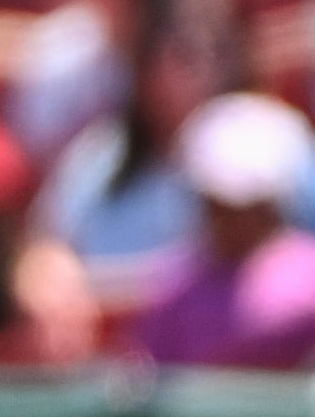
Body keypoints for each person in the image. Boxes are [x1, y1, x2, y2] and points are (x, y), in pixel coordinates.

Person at [131, 93, 315, 366]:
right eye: (217, 203)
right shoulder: (178, 288)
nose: (228, 218)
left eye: (243, 205)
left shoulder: (306, 273)